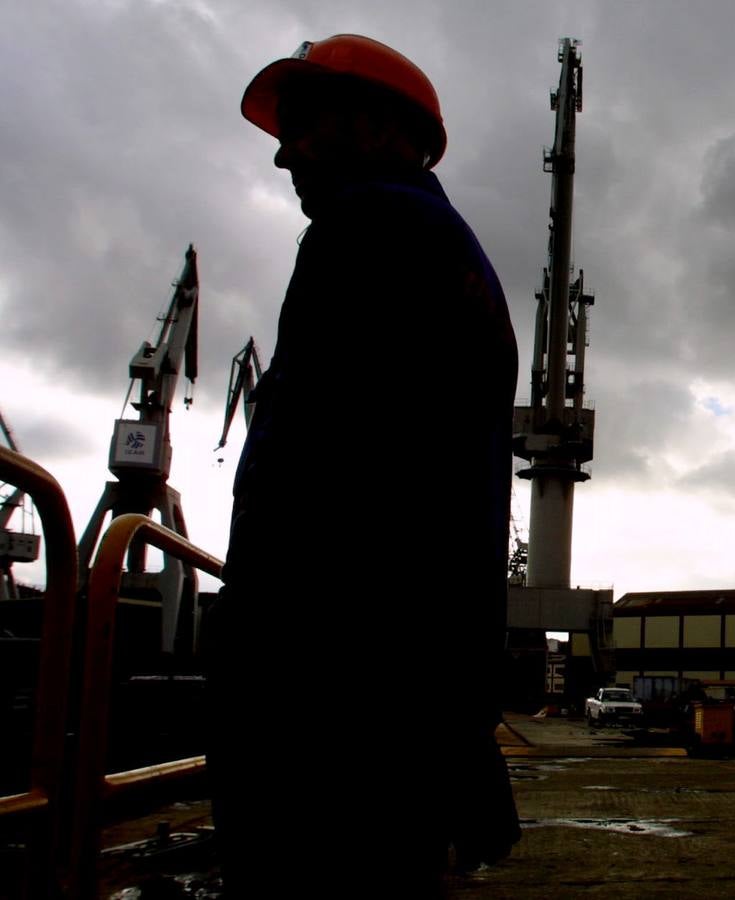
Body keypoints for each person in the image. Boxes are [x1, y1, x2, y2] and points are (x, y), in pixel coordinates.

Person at [206, 34, 519, 895]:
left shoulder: (369, 226)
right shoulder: (453, 253)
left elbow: (315, 472)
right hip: (411, 680)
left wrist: (261, 651)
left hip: (334, 686)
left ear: (383, 127)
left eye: (307, 125)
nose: (283, 152)